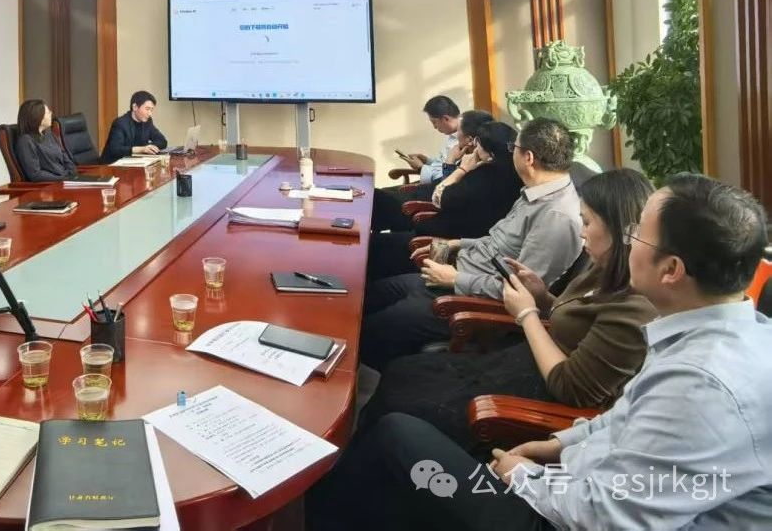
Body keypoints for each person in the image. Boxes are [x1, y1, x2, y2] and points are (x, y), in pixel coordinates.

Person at [306, 174, 772, 530]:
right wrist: (557, 445)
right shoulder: (720, 335)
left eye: (638, 234)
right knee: (402, 471)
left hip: (556, 517)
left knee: (397, 437)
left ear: (671, 269)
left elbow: (611, 516)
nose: (627, 241)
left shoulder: (703, 385)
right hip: (569, 482)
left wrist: (524, 477)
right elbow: (625, 416)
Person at [357, 169, 657, 449]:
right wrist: (542, 297)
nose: (582, 233)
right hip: (522, 360)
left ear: (617, 228)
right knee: (401, 372)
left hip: (540, 393)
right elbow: (573, 321)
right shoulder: (604, 268)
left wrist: (527, 314)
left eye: (588, 223)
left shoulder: (635, 308)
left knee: (399, 407)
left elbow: (573, 389)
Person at [359, 118, 583, 369]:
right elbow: (497, 241)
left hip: (468, 297)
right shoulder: (536, 192)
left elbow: (522, 292)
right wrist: (458, 243)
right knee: (368, 295)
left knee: (367, 330)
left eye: (514, 149)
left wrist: (455, 279)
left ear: (528, 158)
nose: (511, 154)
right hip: (457, 273)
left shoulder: (557, 217)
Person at [372, 108, 492, 233]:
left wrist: (450, 161)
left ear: (470, 140)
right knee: (375, 195)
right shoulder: (466, 154)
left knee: (376, 199)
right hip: (425, 192)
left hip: (424, 206)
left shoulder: (475, 167)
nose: (456, 135)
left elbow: (445, 195)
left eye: (459, 130)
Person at [14, 99, 78, 181]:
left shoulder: (49, 134)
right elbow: (35, 174)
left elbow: (65, 157)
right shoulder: (25, 141)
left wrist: (71, 174)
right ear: (37, 116)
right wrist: (63, 178)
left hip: (65, 180)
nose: (51, 113)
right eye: (48, 112)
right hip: (50, 184)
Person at [102, 90, 168, 163]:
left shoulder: (147, 122)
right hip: (113, 165)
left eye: (151, 110)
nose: (150, 114)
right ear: (135, 107)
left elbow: (162, 141)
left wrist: (148, 148)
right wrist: (141, 149)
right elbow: (115, 149)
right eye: (147, 109)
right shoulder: (120, 123)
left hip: (134, 162)